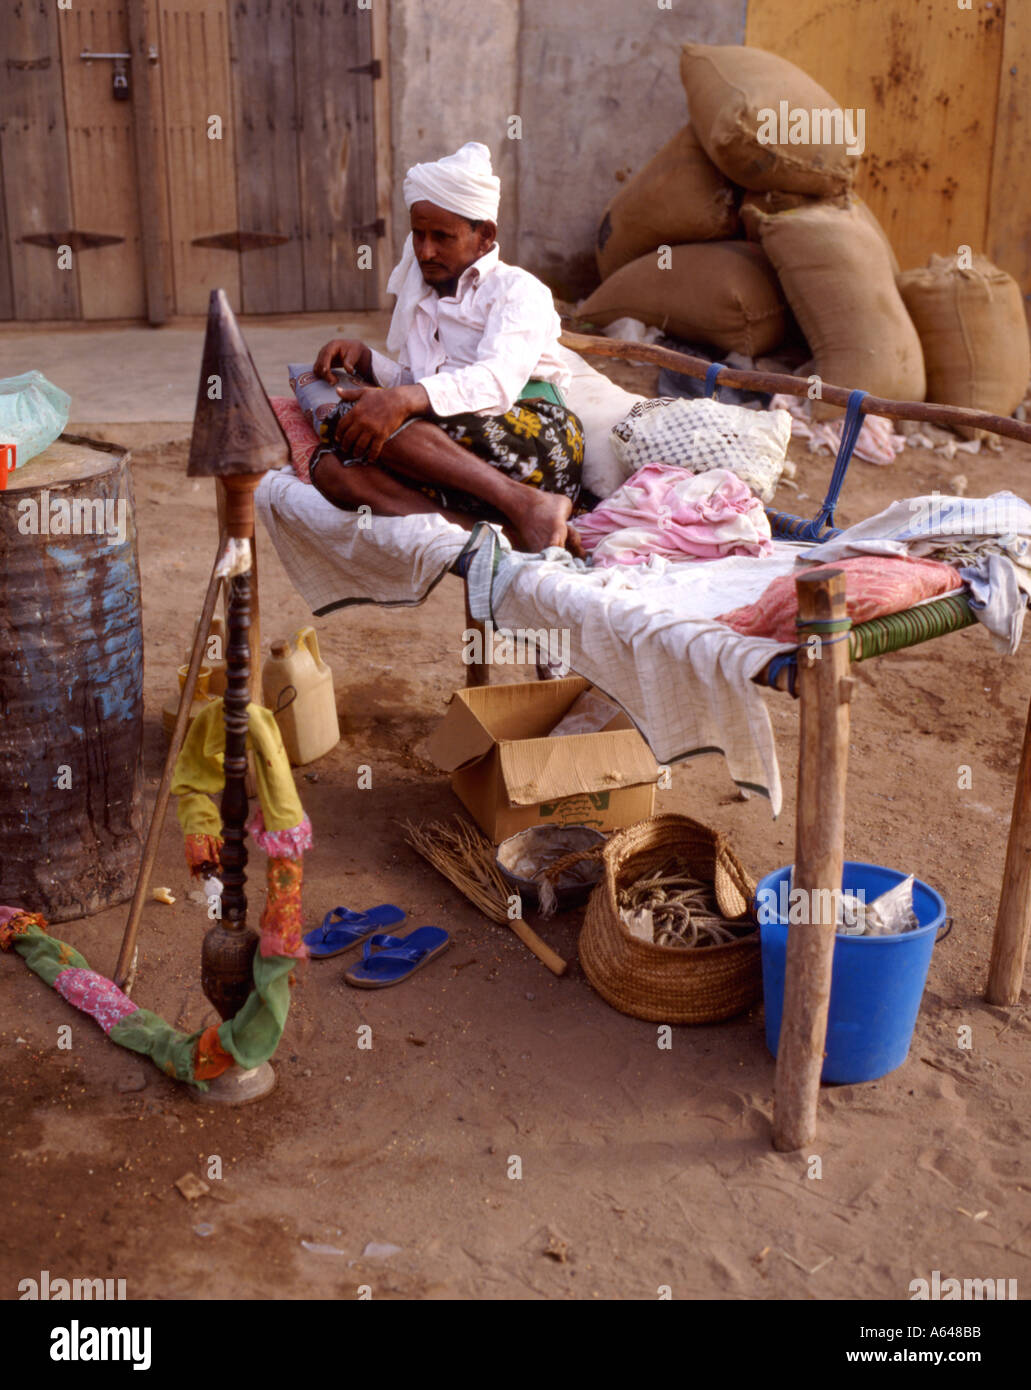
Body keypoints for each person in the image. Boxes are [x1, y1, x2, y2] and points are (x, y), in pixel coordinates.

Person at [309, 142, 585, 555]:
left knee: (372, 419)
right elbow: (426, 384)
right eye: (418, 235)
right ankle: (504, 533)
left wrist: (402, 400)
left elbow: (495, 382)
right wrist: (365, 359)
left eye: (442, 237)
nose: (424, 251)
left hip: (535, 438)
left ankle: (526, 500)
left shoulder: (517, 290)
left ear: (484, 236)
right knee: (331, 469)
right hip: (458, 446)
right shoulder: (425, 296)